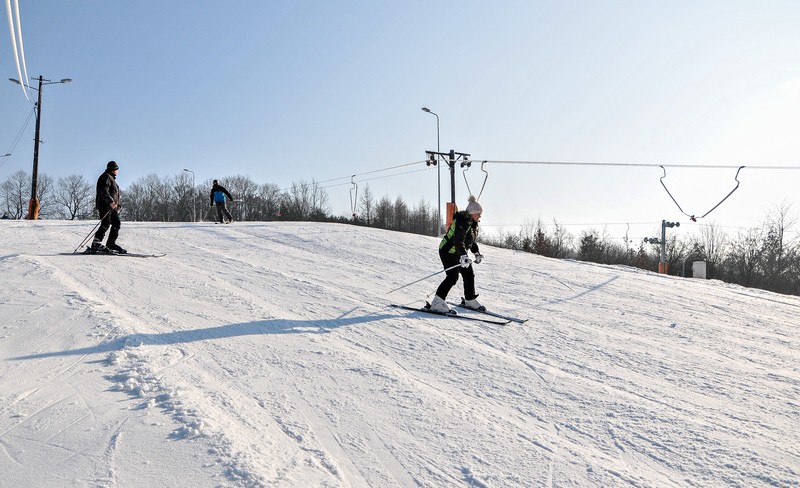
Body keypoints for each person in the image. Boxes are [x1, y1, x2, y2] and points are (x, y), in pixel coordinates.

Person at [428, 195, 485, 313]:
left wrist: (476, 253)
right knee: (452, 276)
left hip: (458, 252)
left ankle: (469, 299)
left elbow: (471, 241)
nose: (480, 216)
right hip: (447, 250)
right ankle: (438, 301)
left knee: (469, 273)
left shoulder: (473, 225)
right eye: (478, 213)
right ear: (472, 213)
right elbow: (458, 241)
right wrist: (463, 256)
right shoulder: (461, 221)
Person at [91, 160, 126, 253]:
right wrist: (110, 201)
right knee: (106, 223)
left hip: (112, 207)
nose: (117, 171)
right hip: (105, 206)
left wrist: (117, 206)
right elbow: (104, 191)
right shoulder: (106, 177)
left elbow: (114, 194)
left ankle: (111, 243)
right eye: (116, 169)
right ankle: (96, 243)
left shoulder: (111, 178)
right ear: (113, 170)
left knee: (116, 223)